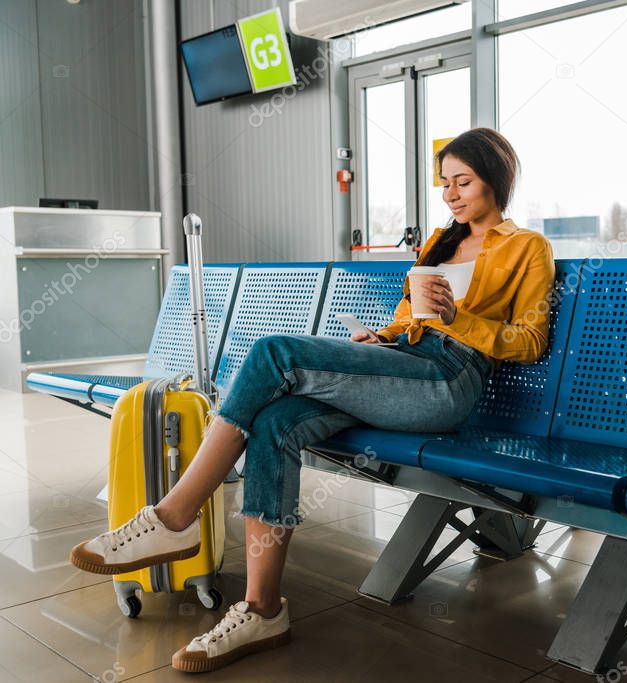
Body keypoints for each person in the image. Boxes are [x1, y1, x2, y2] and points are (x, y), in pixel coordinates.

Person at [68, 128, 555, 673]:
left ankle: (174, 515)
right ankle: (262, 610)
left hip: (447, 383)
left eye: (462, 181)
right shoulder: (439, 243)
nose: (450, 194)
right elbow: (406, 321)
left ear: (498, 177)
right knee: (276, 421)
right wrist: (382, 336)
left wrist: (456, 320)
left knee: (275, 354)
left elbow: (529, 342)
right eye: (444, 183)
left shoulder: (526, 247)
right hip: (404, 370)